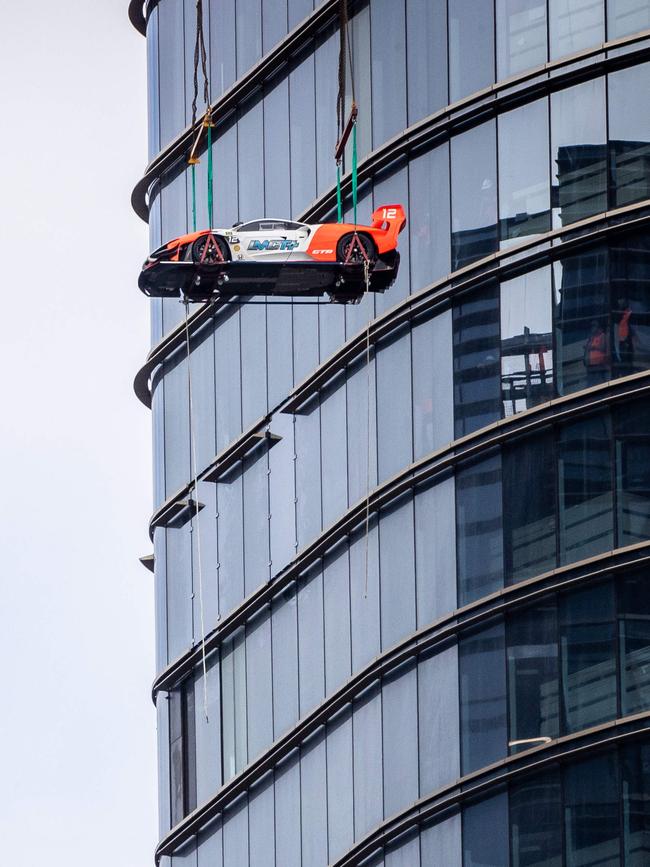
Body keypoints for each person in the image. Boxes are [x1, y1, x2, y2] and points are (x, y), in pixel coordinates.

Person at [583, 320, 609, 385]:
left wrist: (593, 347)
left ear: (598, 327)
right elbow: (587, 348)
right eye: (592, 326)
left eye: (594, 326)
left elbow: (603, 348)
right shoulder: (591, 337)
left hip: (599, 365)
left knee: (599, 383)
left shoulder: (602, 335)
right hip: (590, 365)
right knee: (590, 383)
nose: (592, 328)